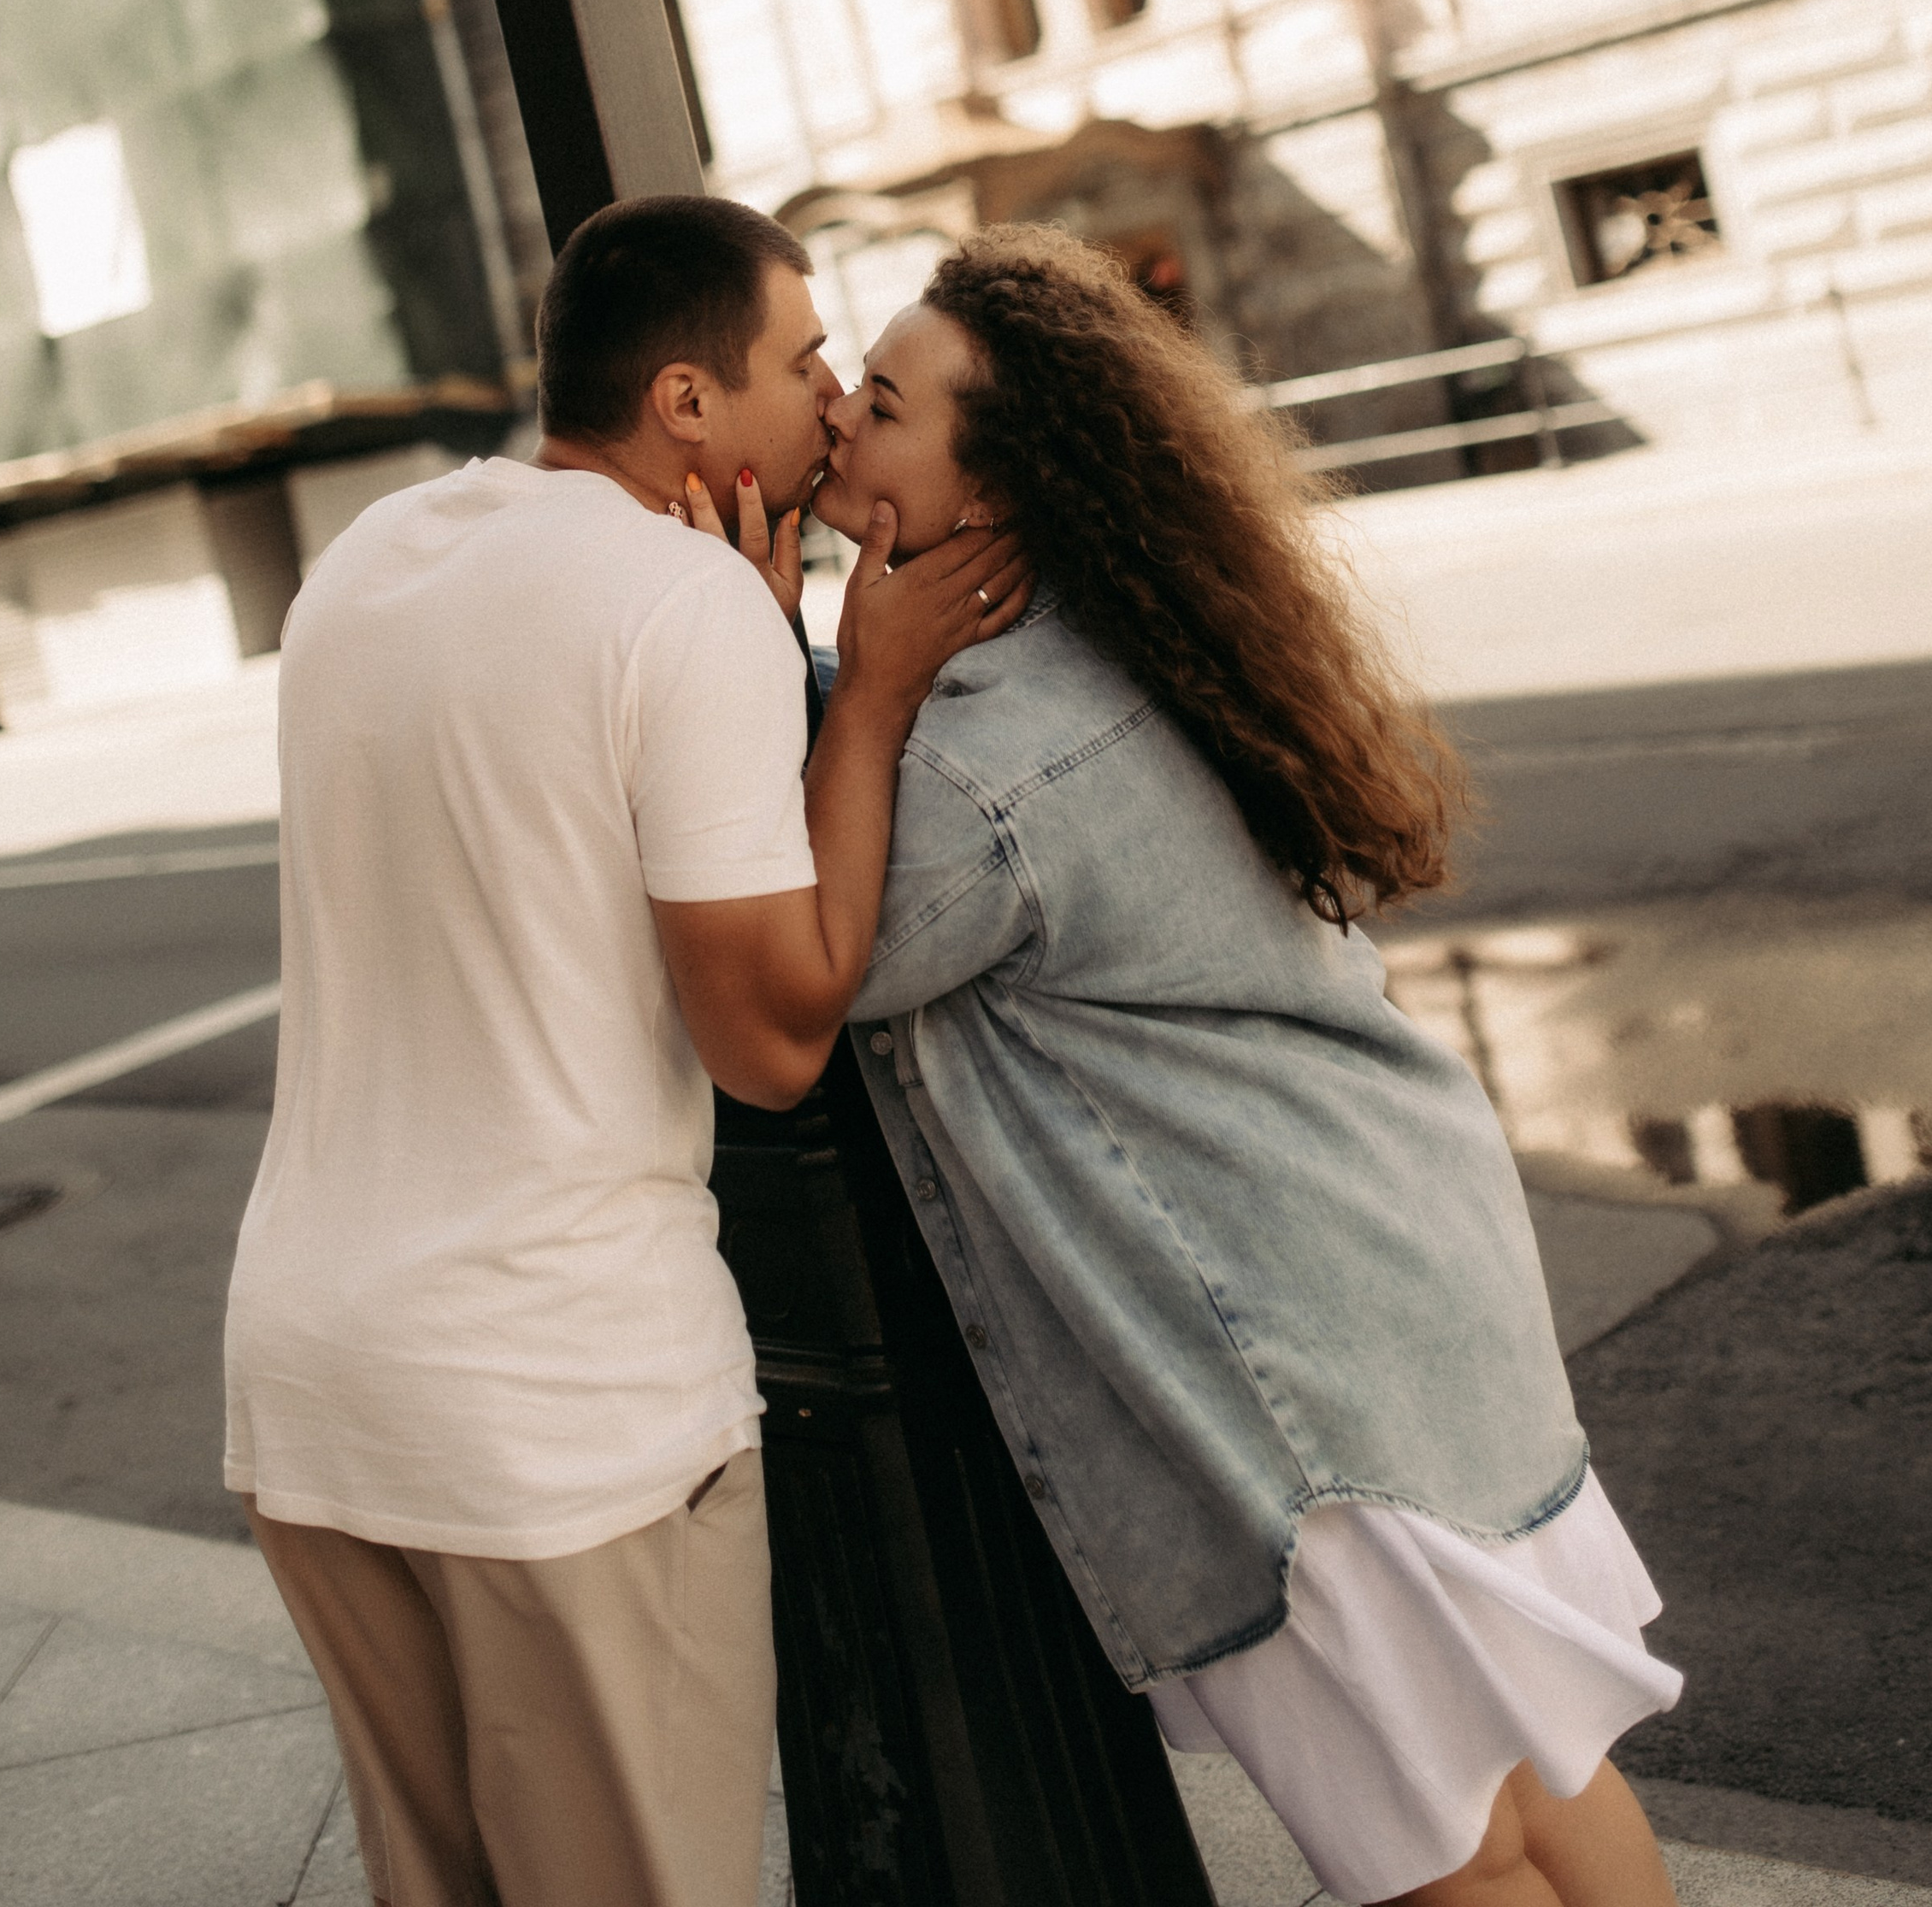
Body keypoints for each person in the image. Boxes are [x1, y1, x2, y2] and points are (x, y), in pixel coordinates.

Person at [806, 223, 1682, 1907]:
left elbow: (813, 962)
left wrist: (854, 686)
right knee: (1531, 1779)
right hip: (1394, 1298)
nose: (842, 413)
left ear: (997, 491)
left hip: (1293, 1386)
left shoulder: (987, 766)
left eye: (888, 402)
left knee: (1441, 1850)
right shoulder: (1116, 640)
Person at [223, 194, 1024, 1907]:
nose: (828, 399)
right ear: (683, 403)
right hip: (554, 1411)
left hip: (310, 1385)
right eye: (802, 359)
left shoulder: (369, 557)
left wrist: (734, 628)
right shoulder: (685, 609)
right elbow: (767, 1042)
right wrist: (857, 691)